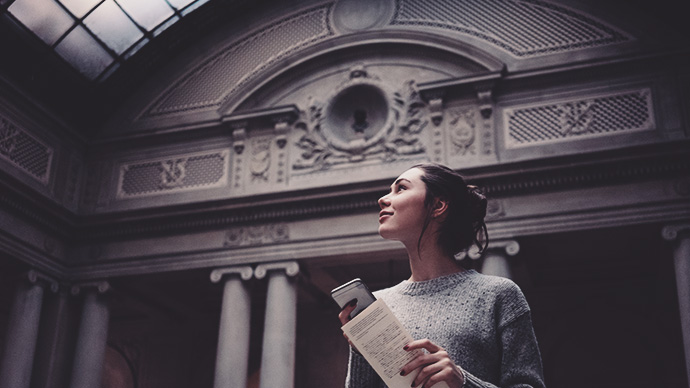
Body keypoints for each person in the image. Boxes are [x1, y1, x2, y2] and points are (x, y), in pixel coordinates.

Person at [338, 163, 545, 388]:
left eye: (401, 189)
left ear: (438, 205)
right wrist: (361, 351)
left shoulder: (498, 294)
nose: (383, 199)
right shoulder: (379, 304)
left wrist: (463, 382)